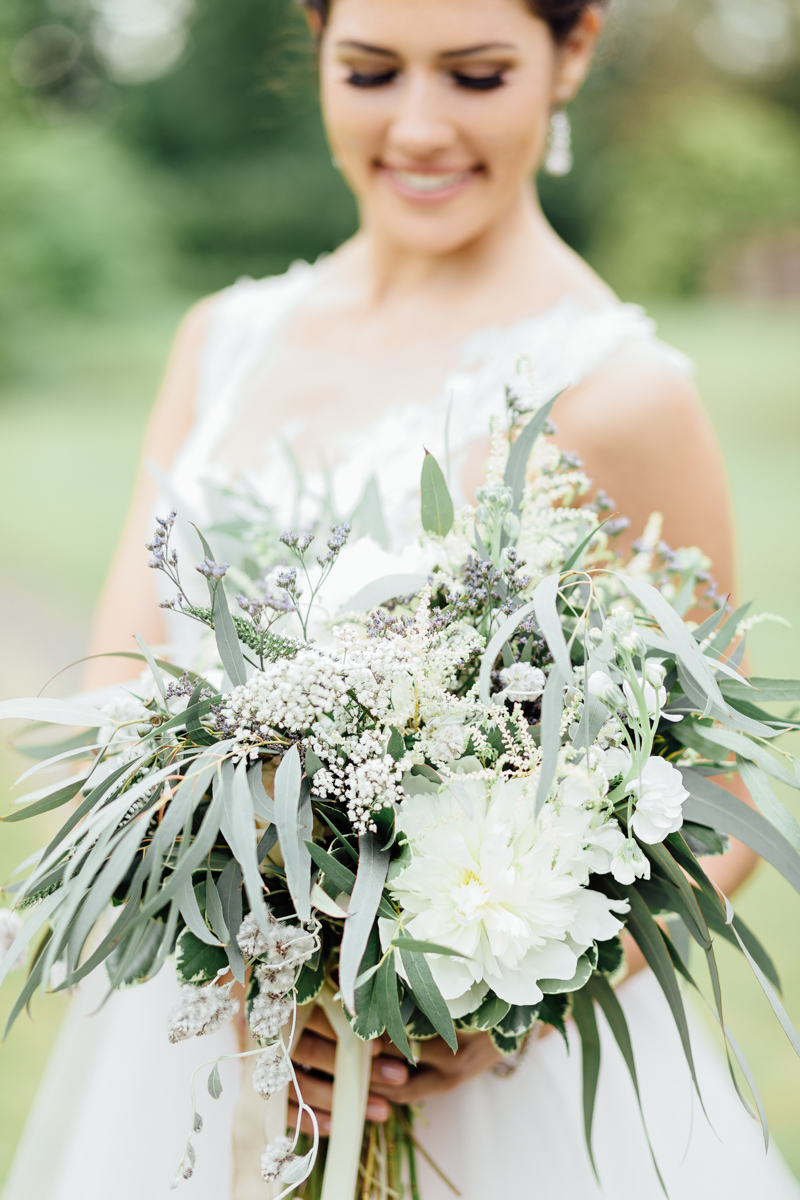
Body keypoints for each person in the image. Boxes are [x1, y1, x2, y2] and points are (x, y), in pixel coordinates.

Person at [4, 1, 799, 1197]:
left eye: (475, 76)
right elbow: (121, 696)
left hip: (490, 1097)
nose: (418, 127)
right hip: (207, 1043)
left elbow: (717, 797)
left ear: (570, 53)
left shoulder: (620, 391)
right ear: (314, 47)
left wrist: (482, 1019)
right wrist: (240, 965)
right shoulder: (222, 340)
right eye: (370, 71)